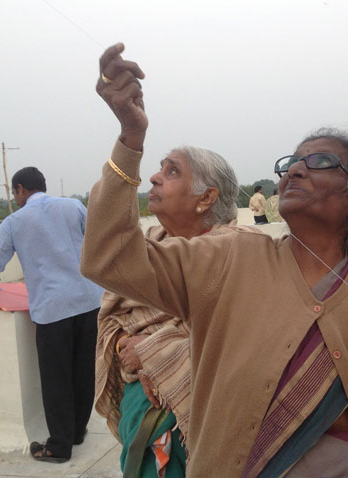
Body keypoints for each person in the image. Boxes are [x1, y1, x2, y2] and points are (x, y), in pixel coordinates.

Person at [82, 43, 348, 478]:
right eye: (292, 162)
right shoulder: (228, 257)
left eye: (318, 161)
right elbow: (109, 259)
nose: (295, 170)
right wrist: (130, 137)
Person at [95, 146, 241, 477]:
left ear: (206, 198)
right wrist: (123, 345)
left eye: (172, 171)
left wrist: (156, 352)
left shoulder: (239, 255)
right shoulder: (146, 247)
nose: (154, 177)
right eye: (161, 168)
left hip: (206, 425)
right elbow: (113, 321)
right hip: (141, 413)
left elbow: (242, 338)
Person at [0, 167, 103, 463]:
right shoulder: (73, 206)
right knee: (83, 371)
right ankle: (75, 431)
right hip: (88, 301)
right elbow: (96, 240)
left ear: (21, 189)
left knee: (56, 378)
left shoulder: (15, 222)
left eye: (14, 192)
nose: (15, 198)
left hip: (52, 309)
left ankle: (58, 446)